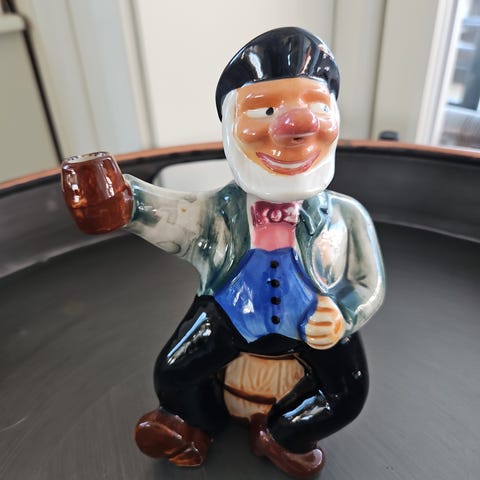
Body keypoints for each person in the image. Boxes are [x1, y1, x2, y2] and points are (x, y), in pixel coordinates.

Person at [61, 27, 385, 478]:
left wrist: (345, 314)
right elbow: (168, 213)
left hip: (316, 325)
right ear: (230, 128)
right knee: (172, 372)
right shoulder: (217, 210)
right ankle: (196, 423)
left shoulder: (347, 216)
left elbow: (368, 283)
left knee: (349, 394)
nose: (297, 125)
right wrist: (123, 199)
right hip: (233, 314)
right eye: (267, 110)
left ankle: (283, 434)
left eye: (316, 108)